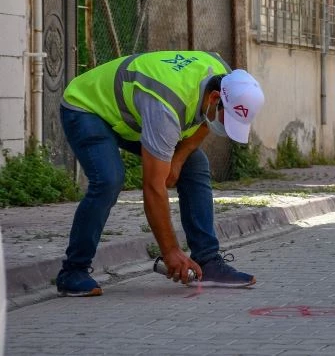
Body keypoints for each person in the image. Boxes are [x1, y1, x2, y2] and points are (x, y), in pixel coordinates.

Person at [56, 51, 265, 297]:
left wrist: (178, 159)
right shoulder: (166, 105)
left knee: (194, 164)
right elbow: (154, 187)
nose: (223, 125)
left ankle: (208, 262)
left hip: (130, 112)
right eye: (225, 117)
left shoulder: (225, 78)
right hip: (86, 107)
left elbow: (204, 122)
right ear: (215, 97)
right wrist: (170, 252)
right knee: (108, 179)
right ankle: (73, 271)